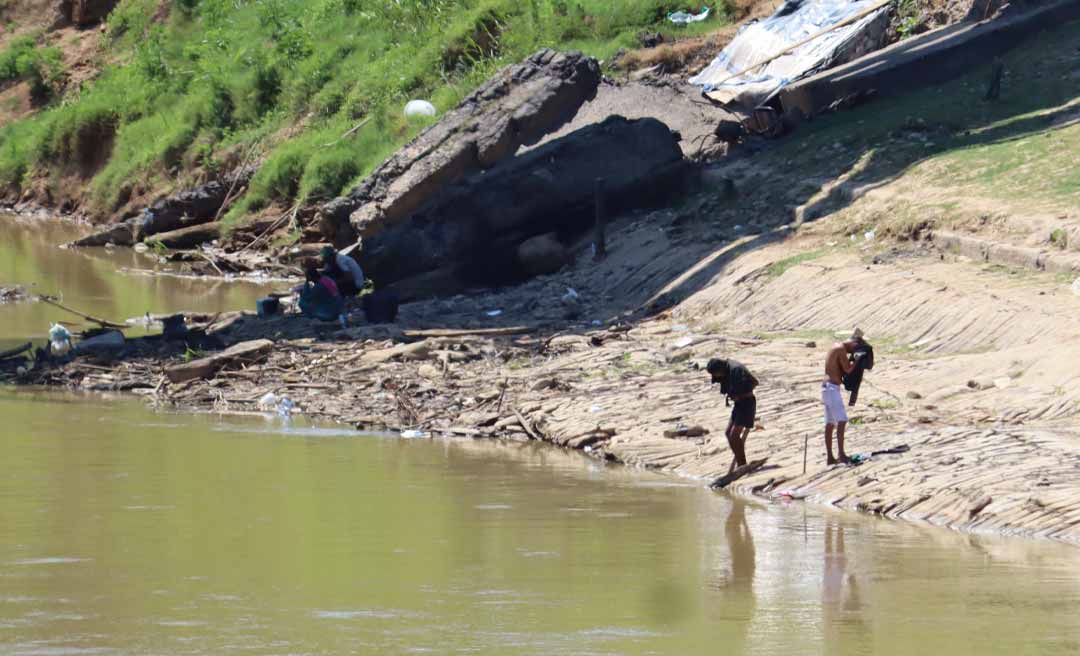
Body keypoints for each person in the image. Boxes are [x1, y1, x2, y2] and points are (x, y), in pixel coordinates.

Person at [707, 358, 759, 469]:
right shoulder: (727, 369)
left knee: (734, 435)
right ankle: (741, 463)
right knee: (728, 433)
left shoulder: (736, 369)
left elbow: (754, 382)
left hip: (747, 403)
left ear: (720, 368)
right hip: (739, 405)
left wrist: (739, 394)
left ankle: (742, 464)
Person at [822, 329, 864, 465]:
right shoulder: (840, 349)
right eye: (853, 348)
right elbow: (848, 369)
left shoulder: (835, 347)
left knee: (830, 423)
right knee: (842, 420)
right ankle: (841, 454)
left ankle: (830, 457)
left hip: (826, 387)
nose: (851, 352)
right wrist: (857, 359)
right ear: (852, 343)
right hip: (832, 388)